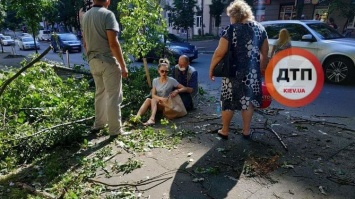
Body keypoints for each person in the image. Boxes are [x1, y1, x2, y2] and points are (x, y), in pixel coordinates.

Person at [208, 0, 269, 140]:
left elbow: (219, 53)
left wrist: (211, 69)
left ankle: (224, 131)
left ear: (235, 15)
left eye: (230, 15)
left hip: (232, 73)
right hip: (252, 74)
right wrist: (262, 68)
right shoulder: (260, 29)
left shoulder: (231, 30)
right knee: (247, 102)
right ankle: (246, 131)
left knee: (228, 101)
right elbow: (265, 53)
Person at [82, 0, 129, 138]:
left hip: (93, 61)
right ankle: (115, 130)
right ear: (107, 1)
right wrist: (123, 66)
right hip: (107, 61)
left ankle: (99, 124)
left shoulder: (86, 16)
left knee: (100, 93)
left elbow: (85, 43)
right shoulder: (108, 15)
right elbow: (113, 43)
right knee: (114, 96)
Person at [136, 58, 186, 126]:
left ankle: (152, 119)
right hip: (158, 102)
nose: (164, 73)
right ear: (158, 71)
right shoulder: (155, 81)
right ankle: (136, 118)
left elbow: (184, 88)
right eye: (162, 71)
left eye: (166, 71)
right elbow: (153, 94)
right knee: (149, 99)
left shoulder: (171, 80)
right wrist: (160, 98)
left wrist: (177, 91)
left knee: (154, 100)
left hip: (167, 104)